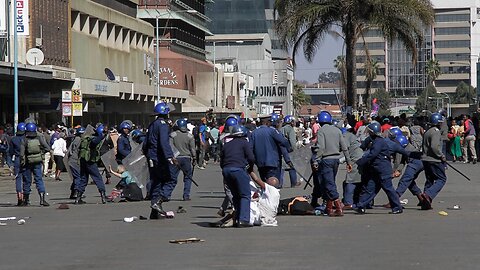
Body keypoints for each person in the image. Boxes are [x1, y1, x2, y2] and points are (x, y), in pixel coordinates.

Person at [355, 121, 403, 214]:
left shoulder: (378, 142)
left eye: (369, 131)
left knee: (388, 189)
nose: (368, 133)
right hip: (377, 170)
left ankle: (397, 207)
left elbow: (372, 154)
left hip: (383, 170)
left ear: (373, 132)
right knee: (370, 188)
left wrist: (360, 162)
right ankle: (361, 206)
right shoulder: (375, 141)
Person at [311, 111, 352, 216]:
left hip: (326, 160)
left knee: (329, 184)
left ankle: (338, 207)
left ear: (320, 121)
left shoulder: (321, 131)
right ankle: (329, 208)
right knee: (330, 182)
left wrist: (316, 160)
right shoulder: (337, 130)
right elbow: (344, 147)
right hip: (336, 160)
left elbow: (321, 147)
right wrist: (348, 161)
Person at [143, 102, 176, 219]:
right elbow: (164, 142)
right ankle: (160, 201)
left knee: (156, 183)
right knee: (171, 179)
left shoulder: (152, 124)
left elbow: (145, 143)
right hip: (159, 158)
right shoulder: (162, 125)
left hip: (151, 157)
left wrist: (147, 155)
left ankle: (154, 212)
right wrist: (170, 156)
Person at [220, 125, 256, 227]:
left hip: (226, 170)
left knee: (236, 196)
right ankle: (243, 220)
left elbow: (222, 160)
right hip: (238, 170)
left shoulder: (226, 144)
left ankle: (236, 218)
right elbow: (251, 158)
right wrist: (250, 167)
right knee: (245, 195)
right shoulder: (244, 143)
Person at [251, 114, 290, 182]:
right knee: (273, 183)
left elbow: (250, 148)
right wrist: (289, 148)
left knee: (265, 182)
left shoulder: (254, 133)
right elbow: (283, 142)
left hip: (260, 163)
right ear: (267, 122)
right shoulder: (272, 131)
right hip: (273, 162)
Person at [420, 113, 448, 210]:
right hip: (434, 159)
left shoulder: (428, 131)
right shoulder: (436, 132)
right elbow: (434, 146)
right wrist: (441, 156)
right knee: (442, 179)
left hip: (426, 159)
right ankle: (428, 194)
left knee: (430, 180)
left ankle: (425, 202)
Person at [20, 123, 51, 206]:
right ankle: (42, 199)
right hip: (38, 162)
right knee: (39, 180)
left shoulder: (24, 140)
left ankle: (26, 200)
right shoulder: (39, 138)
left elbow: (21, 153)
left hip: (27, 162)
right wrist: (40, 153)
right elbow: (47, 148)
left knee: (27, 181)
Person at [76, 124, 107, 204]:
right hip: (90, 162)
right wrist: (102, 135)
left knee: (83, 179)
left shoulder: (86, 138)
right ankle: (103, 196)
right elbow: (95, 142)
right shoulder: (94, 139)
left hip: (83, 161)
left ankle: (78, 198)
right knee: (98, 178)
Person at [169, 118, 196, 201]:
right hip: (187, 158)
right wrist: (194, 157)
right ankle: (186, 195)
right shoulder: (190, 136)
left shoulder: (173, 135)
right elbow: (192, 149)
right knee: (188, 178)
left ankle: (167, 195)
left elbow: (170, 147)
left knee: (172, 178)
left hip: (175, 158)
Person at [341, 127, 364, 210]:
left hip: (355, 160)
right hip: (359, 158)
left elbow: (344, 148)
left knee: (350, 181)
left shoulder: (345, 136)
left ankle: (348, 202)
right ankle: (356, 200)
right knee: (357, 181)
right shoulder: (352, 137)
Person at [280, 115, 300, 187]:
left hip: (281, 150)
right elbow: (292, 142)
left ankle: (280, 183)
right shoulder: (290, 129)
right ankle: (293, 182)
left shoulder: (281, 129)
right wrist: (295, 151)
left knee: (281, 168)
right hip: (289, 150)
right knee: (292, 167)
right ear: (291, 122)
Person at [9, 122, 26, 206]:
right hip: (26, 159)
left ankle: (19, 197)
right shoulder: (26, 139)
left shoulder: (13, 139)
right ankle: (26, 197)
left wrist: (10, 163)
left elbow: (10, 152)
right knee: (26, 178)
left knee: (18, 178)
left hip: (17, 159)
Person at [67, 127, 84, 199]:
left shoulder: (76, 139)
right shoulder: (79, 140)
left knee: (76, 177)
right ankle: (76, 192)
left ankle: (73, 192)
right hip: (75, 161)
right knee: (78, 177)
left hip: (72, 160)